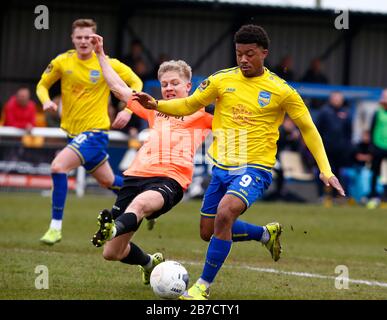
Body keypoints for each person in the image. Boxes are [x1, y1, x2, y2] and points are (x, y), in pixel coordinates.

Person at [133, 24, 345, 300]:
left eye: (250, 54)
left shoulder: (282, 91)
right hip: (221, 168)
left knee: (225, 213)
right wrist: (156, 105)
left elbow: (308, 129)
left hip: (255, 168)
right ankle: (265, 235)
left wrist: (325, 170)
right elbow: (190, 104)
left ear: (264, 53)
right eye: (239, 54)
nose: (243, 59)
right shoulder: (221, 80)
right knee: (208, 232)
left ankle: (202, 287)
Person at [88, 34, 213, 285]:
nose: (168, 88)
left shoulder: (202, 115)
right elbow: (118, 88)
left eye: (174, 83)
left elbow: (236, 117)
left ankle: (111, 228)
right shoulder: (154, 108)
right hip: (135, 176)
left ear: (188, 86)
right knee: (112, 253)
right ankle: (149, 262)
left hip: (170, 179)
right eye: (164, 84)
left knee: (141, 205)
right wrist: (100, 54)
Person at [36, 19, 143, 245]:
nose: (84, 41)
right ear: (72, 39)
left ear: (96, 40)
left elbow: (136, 81)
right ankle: (145, 202)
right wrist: (45, 101)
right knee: (108, 181)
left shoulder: (106, 63)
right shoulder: (62, 62)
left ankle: (55, 227)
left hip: (94, 133)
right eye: (80, 37)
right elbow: (42, 85)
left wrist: (129, 108)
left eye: (89, 37)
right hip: (73, 135)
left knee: (58, 166)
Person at [315, 91, 352, 205]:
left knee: (338, 172)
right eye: (335, 98)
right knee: (323, 172)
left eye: (339, 99)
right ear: (331, 99)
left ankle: (336, 196)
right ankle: (322, 195)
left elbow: (348, 131)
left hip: (340, 150)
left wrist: (347, 146)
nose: (337, 101)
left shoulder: (345, 112)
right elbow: (316, 130)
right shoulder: (324, 111)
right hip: (326, 149)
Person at [367, 89, 387, 208]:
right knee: (375, 172)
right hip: (378, 147)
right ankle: (373, 196)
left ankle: (385, 197)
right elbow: (372, 129)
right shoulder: (378, 113)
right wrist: (371, 147)